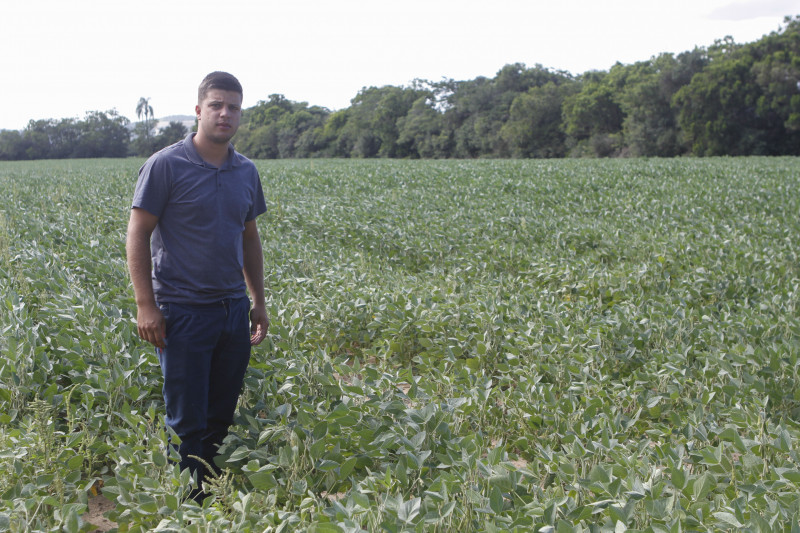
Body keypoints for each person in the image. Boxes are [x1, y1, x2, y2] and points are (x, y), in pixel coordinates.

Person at [125, 71, 269, 493]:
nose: (225, 114)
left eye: (234, 107)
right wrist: (145, 305)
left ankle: (209, 492)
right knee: (186, 419)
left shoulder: (246, 170)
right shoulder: (166, 165)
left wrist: (257, 300)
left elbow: (249, 236)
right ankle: (188, 503)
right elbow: (137, 233)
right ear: (199, 110)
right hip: (183, 311)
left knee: (221, 412)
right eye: (217, 105)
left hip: (232, 309)